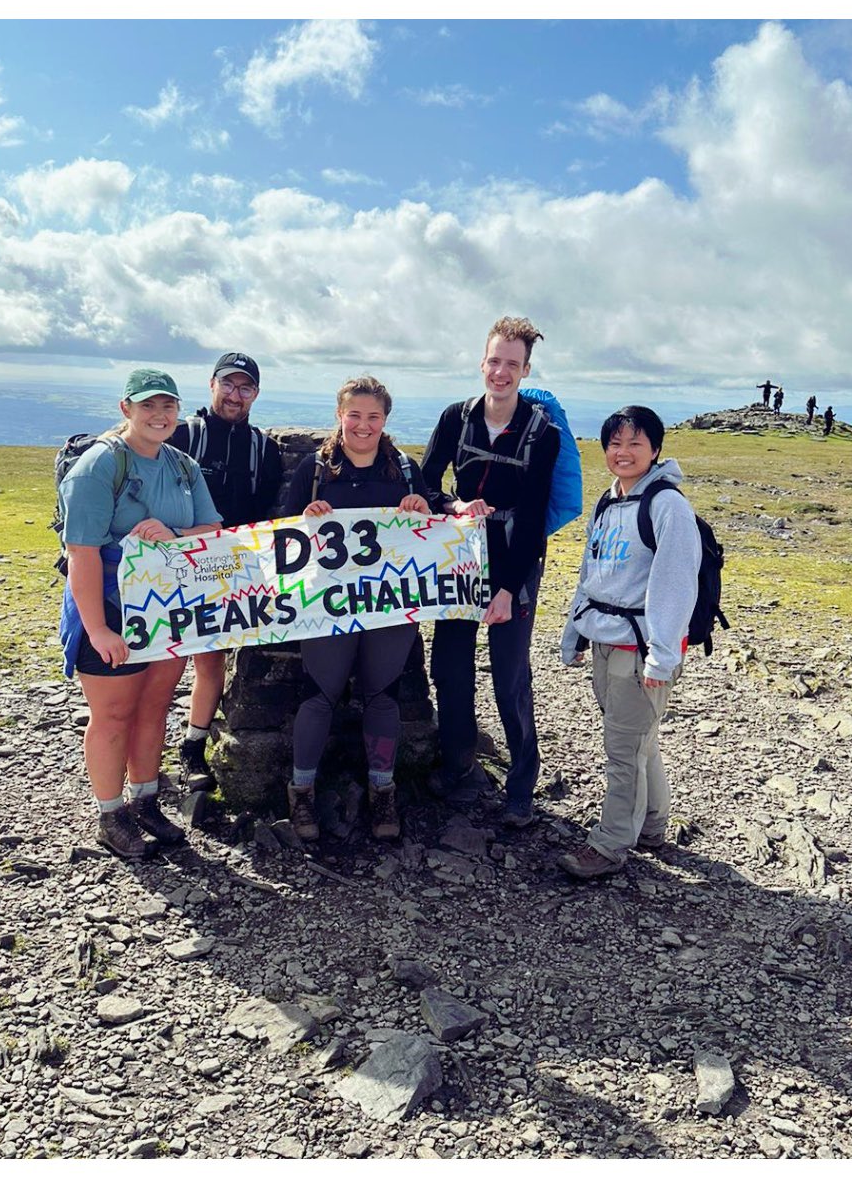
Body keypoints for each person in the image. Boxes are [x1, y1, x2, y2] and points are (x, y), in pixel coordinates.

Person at [58, 369, 222, 858]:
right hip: (110, 606)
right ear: (125, 408)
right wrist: (99, 629)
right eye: (148, 405)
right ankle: (110, 816)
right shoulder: (98, 466)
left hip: (164, 609)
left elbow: (213, 529)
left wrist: (175, 537)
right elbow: (81, 554)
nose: (160, 414)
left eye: (168, 405)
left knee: (153, 707)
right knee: (113, 713)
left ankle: (145, 799)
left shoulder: (182, 465)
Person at [421, 316, 561, 828]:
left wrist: (506, 589)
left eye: (512, 364)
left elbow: (533, 518)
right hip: (460, 554)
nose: (500, 372)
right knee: (450, 668)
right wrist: (451, 505)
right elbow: (425, 479)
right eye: (494, 361)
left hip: (514, 561)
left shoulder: (541, 433)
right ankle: (459, 766)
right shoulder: (456, 418)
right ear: (483, 362)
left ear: (526, 370)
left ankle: (521, 786)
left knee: (509, 677)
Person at [281, 376, 432, 842]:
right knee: (320, 695)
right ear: (339, 416)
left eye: (373, 416)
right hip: (326, 606)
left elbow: (434, 521)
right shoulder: (315, 470)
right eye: (354, 415)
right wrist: (303, 520)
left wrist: (423, 507)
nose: (363, 425)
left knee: (382, 695)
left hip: (389, 605)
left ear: (385, 420)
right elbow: (280, 535)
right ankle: (300, 791)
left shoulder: (404, 469)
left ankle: (382, 790)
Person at [557, 406, 701, 879]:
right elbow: (593, 568)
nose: (623, 452)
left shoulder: (667, 506)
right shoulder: (609, 500)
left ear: (656, 449)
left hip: (639, 648)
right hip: (605, 639)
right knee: (640, 740)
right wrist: (575, 629)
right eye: (615, 443)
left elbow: (676, 585)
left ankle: (610, 844)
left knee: (622, 749)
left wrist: (660, 657)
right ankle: (653, 826)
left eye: (635, 443)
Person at [167, 353, 282, 791]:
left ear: (255, 393)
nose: (235, 395)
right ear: (211, 384)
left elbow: (267, 512)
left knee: (210, 662)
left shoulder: (263, 449)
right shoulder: (182, 435)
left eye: (245, 388)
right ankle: (141, 756)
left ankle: (192, 745)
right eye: (228, 385)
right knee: (162, 665)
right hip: (174, 566)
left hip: (230, 569)